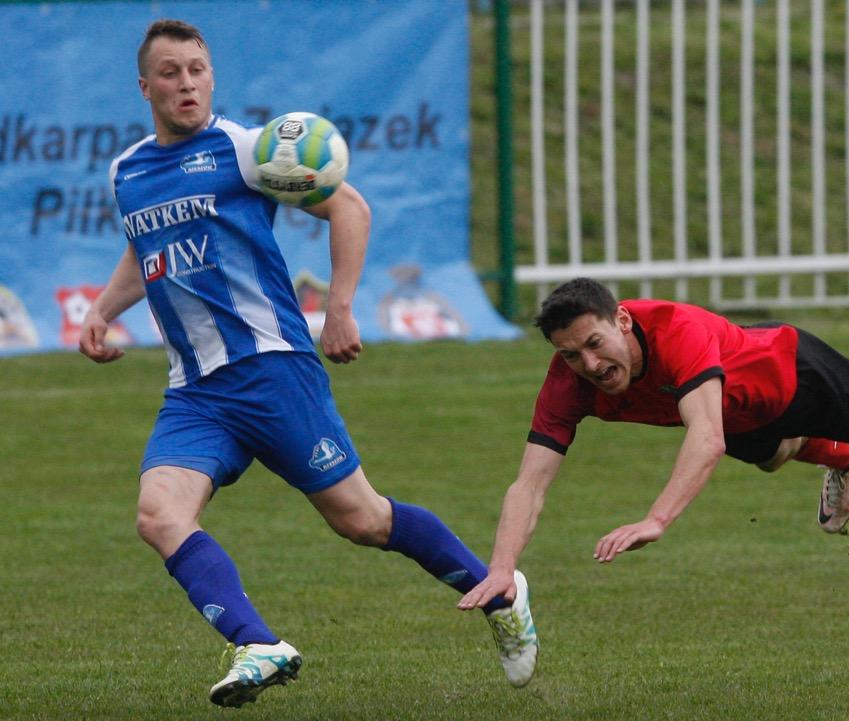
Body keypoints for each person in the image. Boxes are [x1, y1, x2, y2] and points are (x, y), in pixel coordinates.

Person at [79, 19, 537, 708]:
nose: (187, 83)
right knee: (157, 515)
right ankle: (258, 643)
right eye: (170, 73)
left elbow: (349, 206)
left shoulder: (245, 151)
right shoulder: (128, 171)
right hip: (195, 391)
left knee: (363, 520)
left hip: (272, 370)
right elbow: (145, 245)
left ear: (212, 77)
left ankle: (500, 592)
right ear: (146, 87)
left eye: (198, 70)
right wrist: (102, 308)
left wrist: (341, 307)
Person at [457, 212, 849, 611]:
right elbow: (529, 484)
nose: (590, 365)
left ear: (623, 321)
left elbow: (706, 438)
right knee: (773, 455)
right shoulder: (568, 381)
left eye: (594, 343)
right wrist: (502, 568)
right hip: (740, 411)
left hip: (793, 374)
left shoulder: (677, 331)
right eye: (571, 354)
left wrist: (656, 519)